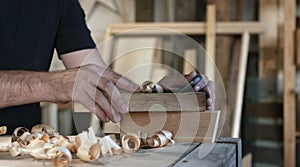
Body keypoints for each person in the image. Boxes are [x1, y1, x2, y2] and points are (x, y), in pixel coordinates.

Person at [0, 0, 214, 134]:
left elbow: (103, 85)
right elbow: (63, 84)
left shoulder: (61, 4)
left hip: (22, 149)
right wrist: (53, 85)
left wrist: (159, 94)